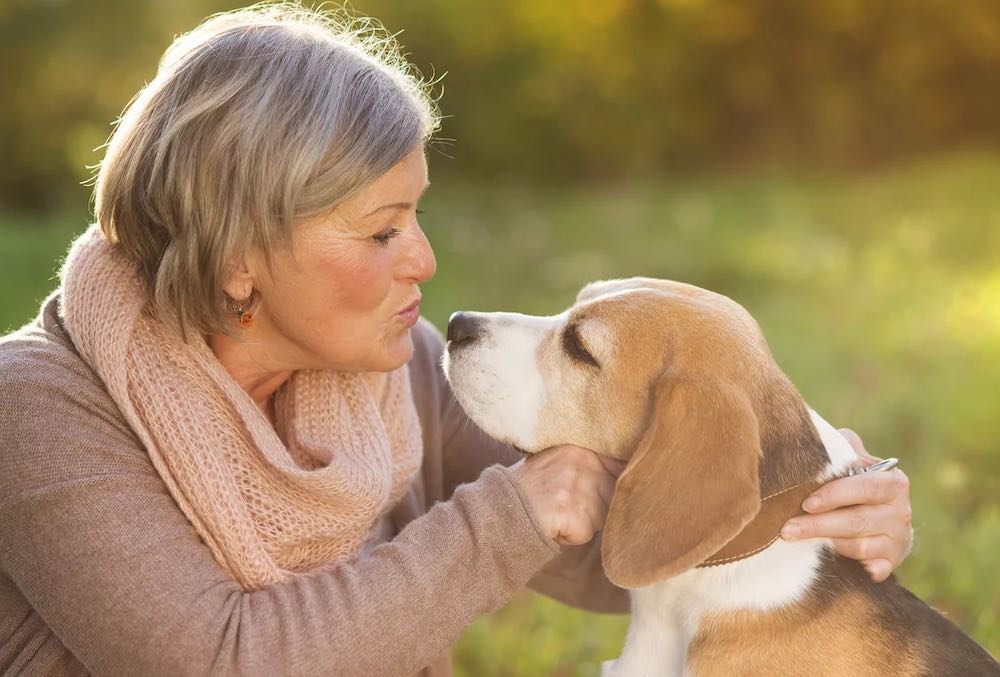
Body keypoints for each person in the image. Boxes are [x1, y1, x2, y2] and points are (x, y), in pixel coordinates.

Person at [0, 5, 913, 676]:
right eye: (382, 231)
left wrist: (813, 510)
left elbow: (615, 545)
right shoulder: (39, 408)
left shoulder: (391, 372)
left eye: (417, 215)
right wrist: (504, 518)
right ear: (241, 260)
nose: (425, 260)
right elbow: (217, 660)